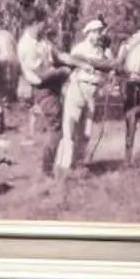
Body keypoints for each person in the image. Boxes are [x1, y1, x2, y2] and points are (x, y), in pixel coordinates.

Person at [51, 17, 114, 175]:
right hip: (78, 89)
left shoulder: (103, 52)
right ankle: (65, 165)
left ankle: (80, 163)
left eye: (100, 32)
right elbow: (71, 67)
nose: (100, 35)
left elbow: (108, 70)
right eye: (97, 32)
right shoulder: (79, 49)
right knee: (70, 128)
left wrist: (108, 77)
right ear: (90, 33)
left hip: (92, 92)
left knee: (86, 130)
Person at [13, 23, 67, 173]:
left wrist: (80, 62)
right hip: (44, 89)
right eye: (41, 24)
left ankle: (54, 166)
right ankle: (47, 169)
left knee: (59, 128)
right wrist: (62, 71)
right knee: (56, 128)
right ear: (32, 24)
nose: (43, 27)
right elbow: (40, 75)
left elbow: (58, 55)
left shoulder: (43, 41)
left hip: (54, 86)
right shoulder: (26, 46)